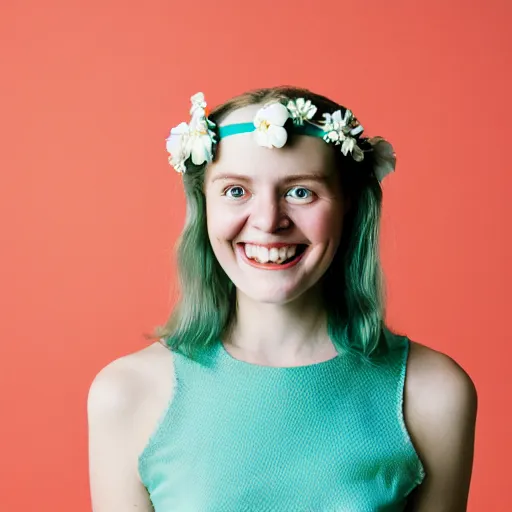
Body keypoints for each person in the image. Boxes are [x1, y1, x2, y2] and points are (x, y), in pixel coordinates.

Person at [87, 87, 478, 511]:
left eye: (300, 191)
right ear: (204, 207)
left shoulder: (432, 395)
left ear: (350, 206)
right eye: (236, 191)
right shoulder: (127, 393)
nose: (268, 221)